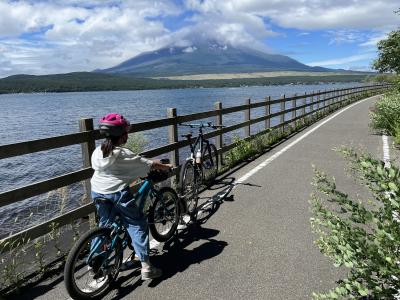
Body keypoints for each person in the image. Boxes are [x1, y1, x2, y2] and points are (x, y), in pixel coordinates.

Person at [90, 113, 172, 280]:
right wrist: (165, 166)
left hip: (98, 190)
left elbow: (126, 165)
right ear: (122, 134)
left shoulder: (98, 151)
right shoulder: (122, 153)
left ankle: (96, 257)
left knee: (105, 224)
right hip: (116, 193)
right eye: (126, 132)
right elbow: (145, 164)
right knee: (137, 223)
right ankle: (146, 267)